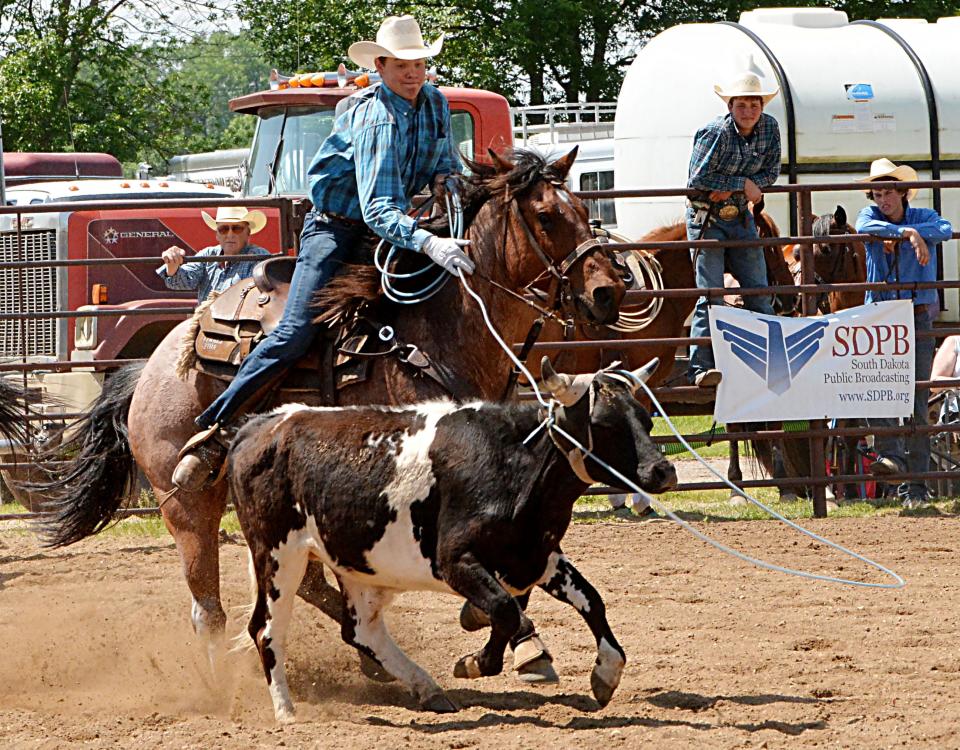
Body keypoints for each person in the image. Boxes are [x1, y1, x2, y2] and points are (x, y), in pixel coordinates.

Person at [172, 15, 474, 491]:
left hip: (391, 225)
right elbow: (376, 207)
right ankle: (215, 426)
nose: (412, 72)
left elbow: (445, 165)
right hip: (335, 228)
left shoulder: (434, 103)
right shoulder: (375, 116)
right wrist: (429, 241)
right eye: (402, 64)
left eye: (418, 63)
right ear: (380, 65)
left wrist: (451, 191)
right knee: (294, 333)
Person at [855, 158, 954, 509]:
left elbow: (944, 228)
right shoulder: (871, 219)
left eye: (889, 193)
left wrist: (911, 233)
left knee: (916, 396)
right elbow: (861, 226)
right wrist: (906, 234)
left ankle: (915, 484)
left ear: (902, 192)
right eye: (878, 193)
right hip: (883, 316)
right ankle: (893, 459)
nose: (883, 200)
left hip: (912, 314)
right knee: (876, 388)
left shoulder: (923, 217)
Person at [686, 71, 782, 387]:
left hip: (739, 217)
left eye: (754, 104)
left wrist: (739, 188)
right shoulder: (714, 133)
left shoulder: (770, 128)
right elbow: (696, 181)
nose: (749, 111)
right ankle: (700, 369)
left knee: (758, 290)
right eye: (742, 104)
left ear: (761, 106)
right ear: (731, 106)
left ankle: (769, 360)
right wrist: (740, 184)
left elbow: (772, 171)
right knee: (710, 294)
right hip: (707, 218)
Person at [157, 206, 270, 303]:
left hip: (241, 324)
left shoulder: (259, 258)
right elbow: (184, 282)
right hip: (207, 321)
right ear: (217, 235)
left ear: (248, 233)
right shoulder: (208, 254)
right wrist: (172, 265)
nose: (230, 234)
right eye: (224, 229)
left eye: (237, 228)